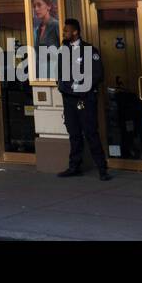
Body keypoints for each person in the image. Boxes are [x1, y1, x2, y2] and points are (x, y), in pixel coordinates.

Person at [57, 17, 111, 181]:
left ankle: (102, 169)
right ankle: (74, 167)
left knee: (91, 133)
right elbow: (60, 73)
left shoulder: (89, 50)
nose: (64, 33)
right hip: (69, 100)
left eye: (66, 30)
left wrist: (80, 87)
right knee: (74, 134)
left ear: (75, 32)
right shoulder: (63, 50)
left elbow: (97, 74)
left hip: (85, 99)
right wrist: (64, 88)